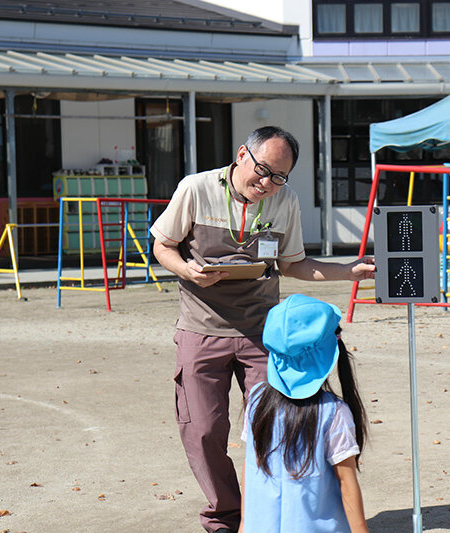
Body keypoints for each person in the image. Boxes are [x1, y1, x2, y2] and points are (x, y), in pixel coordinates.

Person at [150, 126, 375, 533]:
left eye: (279, 177)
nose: (267, 183)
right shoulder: (195, 189)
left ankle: (272, 517)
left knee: (275, 424)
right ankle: (226, 517)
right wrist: (187, 270)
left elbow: (293, 264)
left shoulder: (284, 201)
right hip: (202, 328)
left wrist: (347, 271)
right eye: (263, 170)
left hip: (261, 332)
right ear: (241, 155)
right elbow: (162, 246)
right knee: (202, 430)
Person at [239, 294, 369, 533]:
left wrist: (245, 524)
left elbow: (250, 468)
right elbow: (346, 484)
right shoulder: (334, 413)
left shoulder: (256, 400)